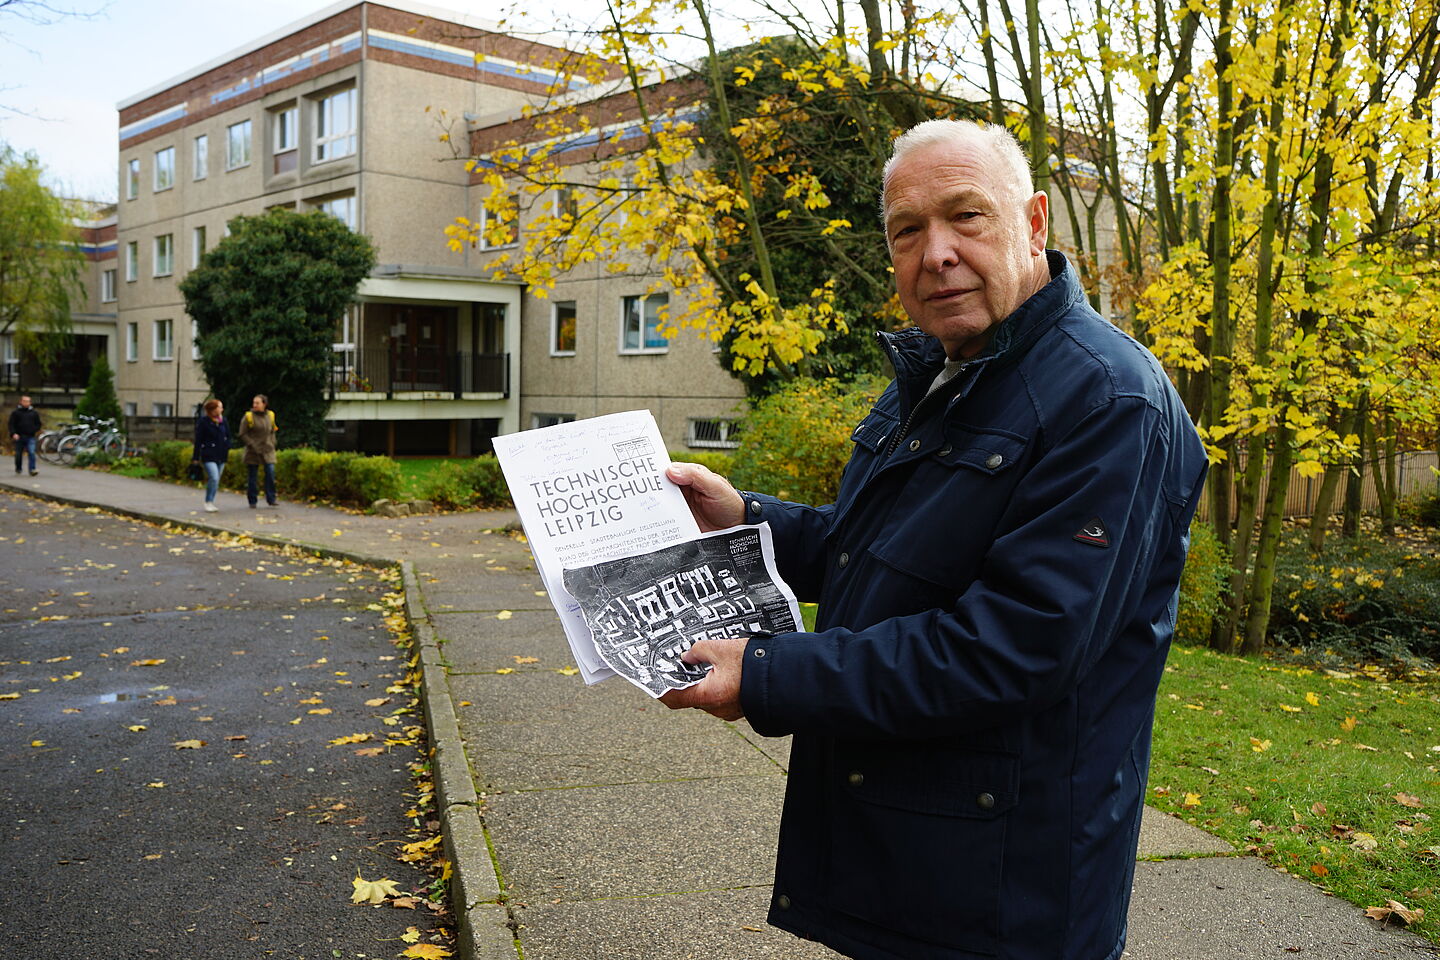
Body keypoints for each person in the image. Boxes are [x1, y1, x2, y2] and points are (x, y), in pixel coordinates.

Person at [661, 119, 1208, 960]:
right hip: (912, 843)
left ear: (1032, 224)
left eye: (966, 216)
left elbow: (1015, 646)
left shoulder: (1106, 401)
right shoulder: (945, 370)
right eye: (907, 230)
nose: (936, 252)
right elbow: (879, 552)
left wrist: (767, 674)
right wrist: (744, 518)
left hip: (1002, 885)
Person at [238, 394, 278, 508]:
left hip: (268, 449)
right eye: (254, 403)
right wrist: (252, 444)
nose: (254, 405)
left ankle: (271, 498)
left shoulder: (270, 415)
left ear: (264, 404)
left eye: (257, 403)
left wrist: (273, 442)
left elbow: (273, 430)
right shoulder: (248, 417)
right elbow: (242, 433)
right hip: (253, 451)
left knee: (270, 472)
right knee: (253, 476)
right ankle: (252, 500)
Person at [191, 398, 229, 512]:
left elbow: (228, 435)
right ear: (213, 409)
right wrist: (196, 457)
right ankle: (208, 501)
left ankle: (211, 500)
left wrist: (228, 446)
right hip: (209, 454)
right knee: (214, 476)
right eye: (219, 407)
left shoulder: (223, 421)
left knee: (216, 480)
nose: (222, 409)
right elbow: (198, 440)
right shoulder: (204, 422)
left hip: (221, 454)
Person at [9, 395, 41, 477]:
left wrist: (34, 430)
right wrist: (14, 433)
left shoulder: (34, 413)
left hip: (30, 436)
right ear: (21, 402)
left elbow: (38, 424)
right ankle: (18, 468)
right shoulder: (16, 413)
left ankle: (32, 469)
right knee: (18, 454)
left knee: (31, 452)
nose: (26, 403)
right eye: (25, 401)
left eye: (28, 401)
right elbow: (11, 424)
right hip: (19, 436)